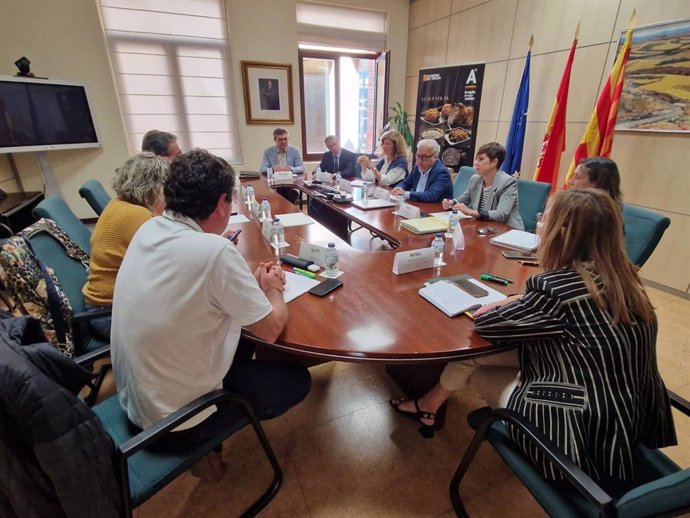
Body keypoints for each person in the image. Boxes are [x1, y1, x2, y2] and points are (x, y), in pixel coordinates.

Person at [391, 188, 675, 483]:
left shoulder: (556, 289)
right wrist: (521, 299)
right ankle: (429, 404)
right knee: (478, 355)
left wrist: (508, 300)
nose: (540, 226)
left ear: (561, 233)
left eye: (544, 221)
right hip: (630, 412)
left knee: (473, 356)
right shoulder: (627, 280)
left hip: (579, 430)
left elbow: (486, 325)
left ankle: (430, 404)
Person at [111, 149, 311, 481]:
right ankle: (204, 446)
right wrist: (273, 287)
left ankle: (210, 430)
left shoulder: (150, 229)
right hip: (177, 421)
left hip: (137, 400)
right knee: (296, 380)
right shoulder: (214, 251)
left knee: (236, 335)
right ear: (221, 204)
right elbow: (271, 329)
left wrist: (248, 276)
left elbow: (194, 275)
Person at [82, 152, 169, 339]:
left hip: (103, 307)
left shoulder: (118, 204)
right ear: (155, 187)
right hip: (112, 316)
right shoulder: (137, 216)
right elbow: (173, 261)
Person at [442, 142, 524, 230]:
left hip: (507, 231)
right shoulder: (475, 179)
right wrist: (451, 203)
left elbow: (501, 214)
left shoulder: (507, 182)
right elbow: (463, 199)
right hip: (484, 227)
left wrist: (470, 212)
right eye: (476, 159)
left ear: (494, 162)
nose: (475, 163)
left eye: (480, 159)